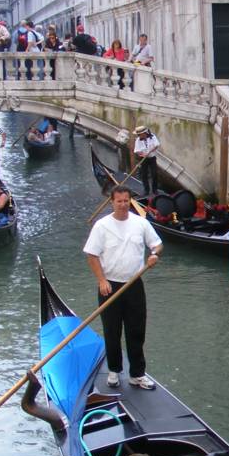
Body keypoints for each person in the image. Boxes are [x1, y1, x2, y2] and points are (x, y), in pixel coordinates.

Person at [83, 184, 163, 389]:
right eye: (119, 201)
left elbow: (157, 244)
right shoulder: (101, 226)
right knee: (112, 331)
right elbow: (91, 255)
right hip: (109, 286)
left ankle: (137, 374)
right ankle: (113, 371)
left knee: (136, 331)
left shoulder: (140, 223)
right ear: (112, 202)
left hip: (134, 284)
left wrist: (154, 254)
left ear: (130, 201)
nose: (123, 204)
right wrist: (101, 280)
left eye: (126, 201)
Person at [132, 126, 160, 195]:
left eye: (139, 134)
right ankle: (146, 190)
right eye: (138, 134)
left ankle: (155, 190)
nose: (138, 136)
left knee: (154, 174)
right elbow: (137, 151)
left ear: (144, 133)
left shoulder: (152, 137)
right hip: (143, 159)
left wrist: (151, 150)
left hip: (152, 158)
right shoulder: (138, 140)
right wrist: (142, 155)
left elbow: (157, 145)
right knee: (144, 175)